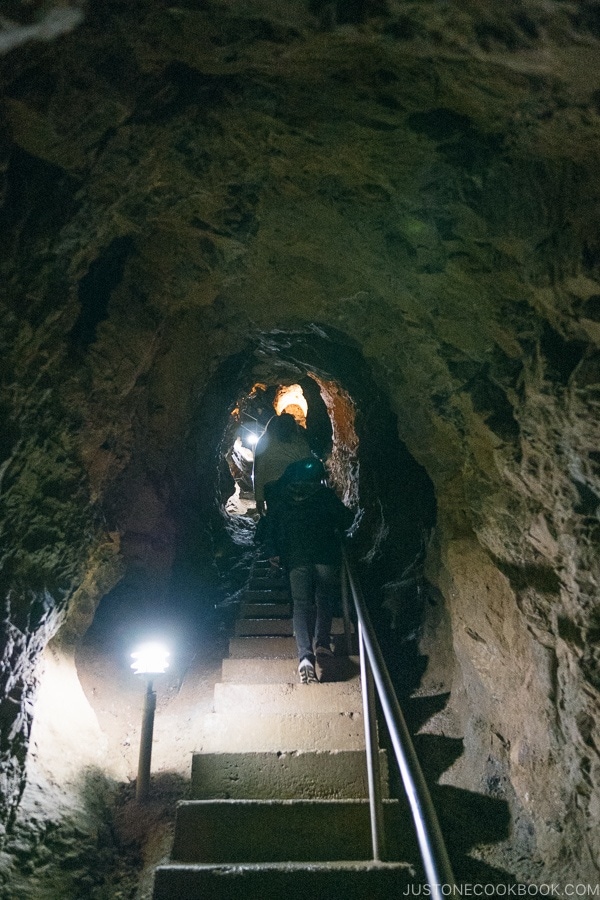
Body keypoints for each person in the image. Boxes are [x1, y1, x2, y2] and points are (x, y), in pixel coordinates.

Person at [265, 457, 354, 684]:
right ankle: (322, 644)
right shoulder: (324, 496)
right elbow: (346, 519)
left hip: (296, 558)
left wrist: (275, 553)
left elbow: (271, 527)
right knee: (324, 599)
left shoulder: (283, 498)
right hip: (326, 556)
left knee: (301, 604)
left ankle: (305, 656)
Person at [252, 412, 311, 516]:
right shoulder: (300, 442)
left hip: (272, 488)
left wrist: (259, 498)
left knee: (276, 517)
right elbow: (307, 465)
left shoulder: (264, 441)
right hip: (294, 487)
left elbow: (259, 471)